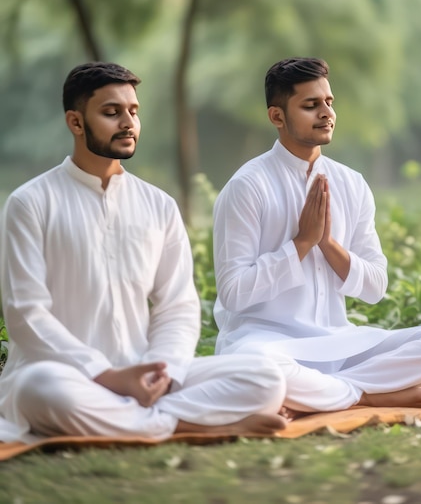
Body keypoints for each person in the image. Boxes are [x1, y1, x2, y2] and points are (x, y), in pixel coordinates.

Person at [0, 62, 287, 444]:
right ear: (75, 122)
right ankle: (196, 425)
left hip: (144, 374)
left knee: (264, 378)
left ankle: (145, 419)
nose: (127, 122)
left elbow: (177, 305)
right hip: (69, 376)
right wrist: (105, 375)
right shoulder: (30, 203)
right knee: (38, 387)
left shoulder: (159, 205)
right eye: (111, 112)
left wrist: (162, 372)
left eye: (133, 111)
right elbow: (26, 312)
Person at [212, 57, 421, 417]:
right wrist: (301, 244)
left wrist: (327, 245)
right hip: (267, 344)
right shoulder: (247, 186)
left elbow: (375, 286)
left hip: (339, 343)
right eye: (311, 105)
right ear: (277, 117)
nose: (326, 113)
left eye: (329, 102)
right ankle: (366, 395)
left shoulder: (351, 183)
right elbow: (234, 293)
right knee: (257, 368)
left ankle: (330, 393)